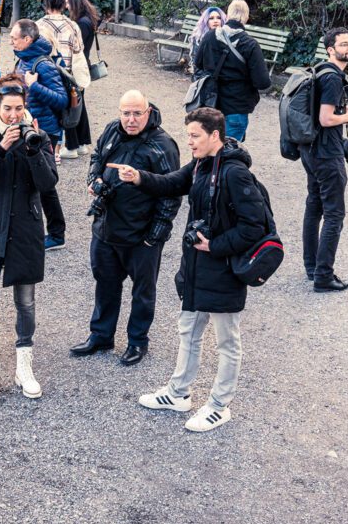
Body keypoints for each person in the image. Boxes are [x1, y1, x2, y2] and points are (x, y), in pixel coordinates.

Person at [108, 107, 268, 433]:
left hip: (223, 272)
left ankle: (219, 406)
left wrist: (216, 246)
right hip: (197, 270)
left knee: (227, 341)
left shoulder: (235, 174)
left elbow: (255, 227)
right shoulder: (201, 164)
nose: (190, 142)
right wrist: (137, 176)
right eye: (188, 135)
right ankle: (178, 393)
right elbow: (171, 183)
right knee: (189, 332)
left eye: (195, 136)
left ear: (214, 136)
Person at [69, 90, 181, 366]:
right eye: (126, 113)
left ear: (147, 112)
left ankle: (137, 341)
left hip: (141, 235)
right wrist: (93, 179)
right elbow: (97, 156)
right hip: (106, 229)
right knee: (105, 284)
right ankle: (101, 335)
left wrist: (155, 237)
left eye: (136, 114)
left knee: (143, 292)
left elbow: (172, 193)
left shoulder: (163, 145)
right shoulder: (112, 130)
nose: (130, 119)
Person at [0, 75, 58, 402]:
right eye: (7, 109)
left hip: (25, 231)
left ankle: (24, 367)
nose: (13, 115)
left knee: (26, 302)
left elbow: (48, 184)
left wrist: (32, 148)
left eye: (19, 108)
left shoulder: (39, 136)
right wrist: (1, 148)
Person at [303, 27, 348, 292]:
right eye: (343, 45)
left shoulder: (320, 70)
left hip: (311, 150)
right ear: (330, 50)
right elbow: (325, 119)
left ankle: (312, 266)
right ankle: (324, 275)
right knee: (334, 214)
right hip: (327, 154)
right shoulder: (331, 79)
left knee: (314, 206)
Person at [9, 19, 69, 250]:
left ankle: (57, 233)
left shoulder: (43, 65)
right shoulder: (22, 59)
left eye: (14, 37)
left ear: (27, 40)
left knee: (45, 183)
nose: (11, 40)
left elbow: (61, 99)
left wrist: (34, 87)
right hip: (26, 128)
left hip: (45, 132)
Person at [193, 0, 270, 142]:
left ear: (227, 16)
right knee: (228, 156)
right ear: (246, 18)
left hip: (211, 104)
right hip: (236, 107)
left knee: (207, 152)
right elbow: (263, 82)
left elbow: (198, 63)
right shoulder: (250, 44)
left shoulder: (210, 36)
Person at [37, 0, 90, 161]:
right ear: (62, 4)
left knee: (48, 110)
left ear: (47, 3)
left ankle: (52, 149)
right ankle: (64, 148)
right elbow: (79, 49)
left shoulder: (39, 25)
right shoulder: (72, 25)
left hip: (45, 71)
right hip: (66, 73)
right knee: (65, 110)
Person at [64, 0, 99, 156]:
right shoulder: (87, 20)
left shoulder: (81, 23)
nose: (66, 6)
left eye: (68, 2)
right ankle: (82, 142)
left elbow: (76, 47)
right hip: (82, 65)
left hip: (77, 67)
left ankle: (73, 144)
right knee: (79, 104)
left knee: (72, 104)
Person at [188, 6, 225, 75]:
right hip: (204, 78)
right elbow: (196, 64)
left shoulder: (226, 38)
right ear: (206, 21)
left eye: (218, 18)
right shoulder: (198, 39)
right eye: (211, 18)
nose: (215, 21)